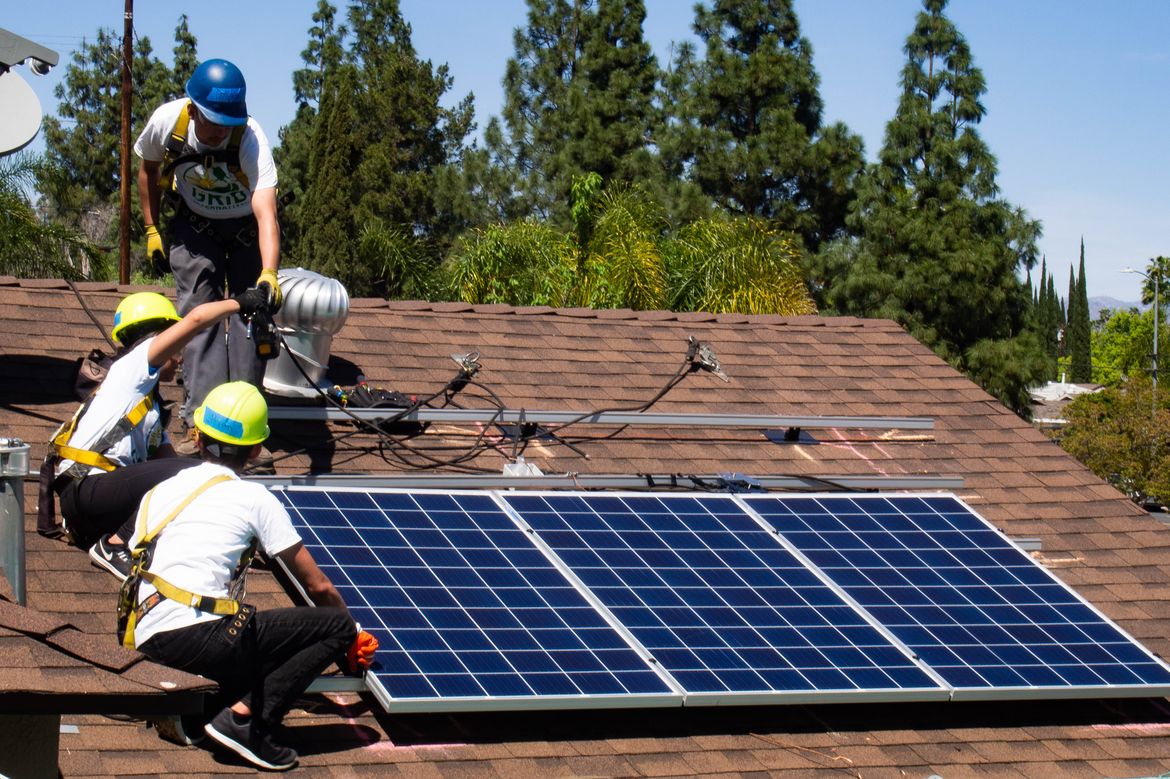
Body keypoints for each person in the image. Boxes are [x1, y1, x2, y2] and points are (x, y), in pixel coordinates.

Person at [120, 382, 378, 771]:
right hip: (199, 639)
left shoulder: (163, 490)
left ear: (199, 436)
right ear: (257, 450)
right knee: (334, 625)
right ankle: (245, 720)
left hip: (145, 639)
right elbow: (317, 585)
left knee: (249, 635)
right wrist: (353, 631)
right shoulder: (255, 499)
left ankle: (204, 707)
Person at [50, 289, 269, 578]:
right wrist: (238, 303)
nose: (180, 359)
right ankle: (114, 546)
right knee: (196, 472)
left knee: (199, 475)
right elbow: (196, 320)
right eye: (176, 349)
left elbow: (180, 473)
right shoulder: (131, 369)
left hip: (100, 507)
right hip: (85, 492)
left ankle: (130, 540)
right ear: (155, 338)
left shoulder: (148, 407)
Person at [134, 58, 283, 444]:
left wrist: (269, 273)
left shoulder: (250, 138)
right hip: (195, 228)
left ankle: (246, 425)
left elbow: (267, 213)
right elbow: (148, 171)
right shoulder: (168, 123)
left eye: (227, 123)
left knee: (252, 316)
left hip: (246, 232)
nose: (219, 131)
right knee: (199, 319)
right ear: (193, 108)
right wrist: (151, 228)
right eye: (213, 121)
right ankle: (201, 422)